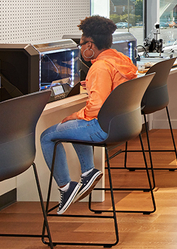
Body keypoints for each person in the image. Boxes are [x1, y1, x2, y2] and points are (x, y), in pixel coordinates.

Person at [40, 15, 138, 214]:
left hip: (104, 127)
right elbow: (114, 87)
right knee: (74, 127)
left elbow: (96, 108)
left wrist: (77, 113)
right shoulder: (120, 59)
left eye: (82, 43)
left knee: (47, 136)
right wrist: (91, 85)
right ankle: (88, 171)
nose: (81, 47)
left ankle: (66, 188)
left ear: (91, 44)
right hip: (125, 124)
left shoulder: (99, 67)